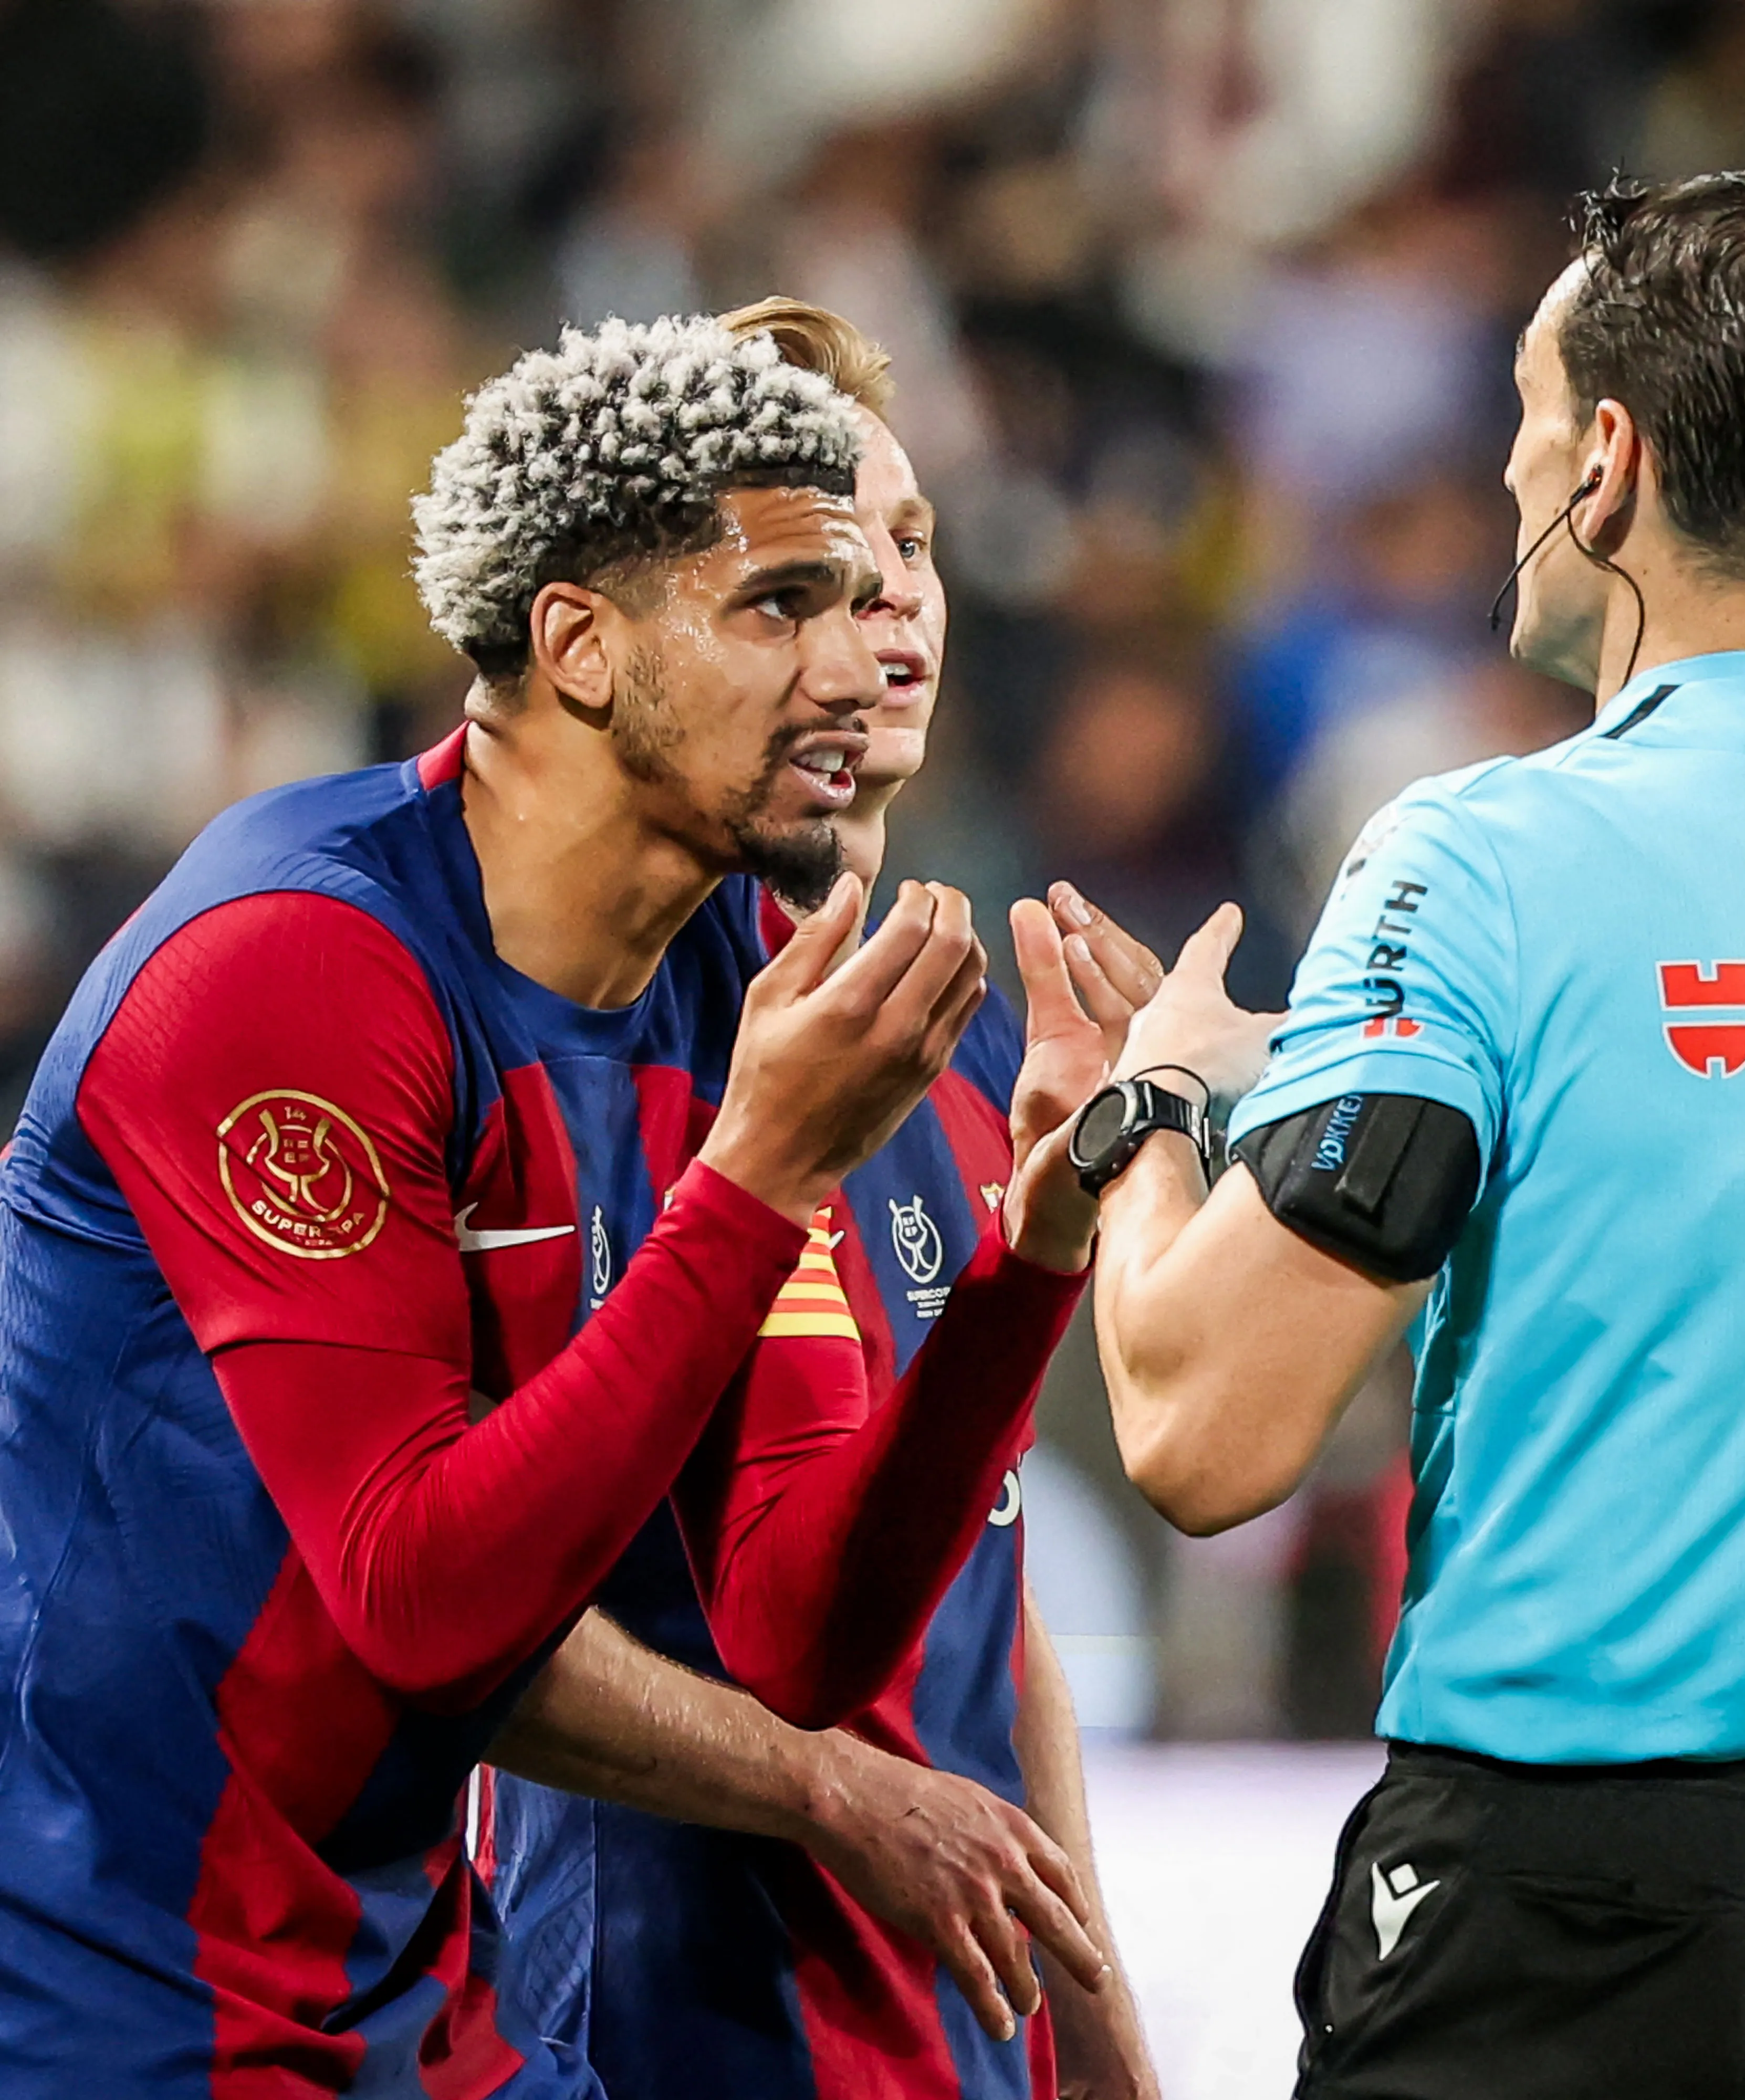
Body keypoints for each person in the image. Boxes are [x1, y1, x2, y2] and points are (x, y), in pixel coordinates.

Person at [1064, 171, 1745, 2097]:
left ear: (1604, 461)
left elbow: (1206, 1438)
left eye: (1527, 419)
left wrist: (1147, 1106)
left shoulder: (1477, 863)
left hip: (1563, 1935)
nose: (1513, 468)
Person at [0, 314, 1105, 2099]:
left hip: (426, 2003)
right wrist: (756, 1183)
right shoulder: (297, 964)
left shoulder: (725, 979)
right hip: (112, 1991)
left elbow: (803, 1641)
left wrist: (1030, 1266)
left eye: (878, 584)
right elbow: (418, 1602)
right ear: (580, 645)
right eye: (780, 606)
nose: (860, 657)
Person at [478, 299, 1158, 2100]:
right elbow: (791, 1640)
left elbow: (985, 1609)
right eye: (821, 584)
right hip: (700, 2024)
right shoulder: (679, 1037)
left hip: (952, 2037)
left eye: (913, 552)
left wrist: (1100, 2036)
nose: (895, 612)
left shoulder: (940, 1038)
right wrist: (1044, 1249)